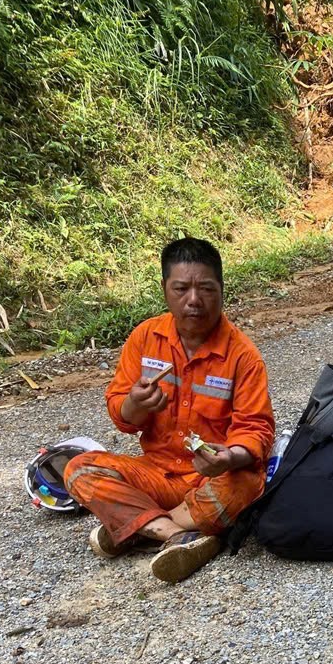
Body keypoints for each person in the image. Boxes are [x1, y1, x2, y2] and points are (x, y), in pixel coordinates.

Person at [65, 238, 274, 582]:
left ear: (221, 290)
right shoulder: (145, 338)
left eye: (206, 288)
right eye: (181, 288)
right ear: (165, 289)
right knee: (79, 469)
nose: (194, 300)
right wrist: (134, 404)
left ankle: (137, 527)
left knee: (246, 486)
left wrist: (229, 457)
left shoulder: (242, 355)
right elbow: (122, 416)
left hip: (211, 479)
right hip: (156, 473)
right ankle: (176, 535)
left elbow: (257, 430)